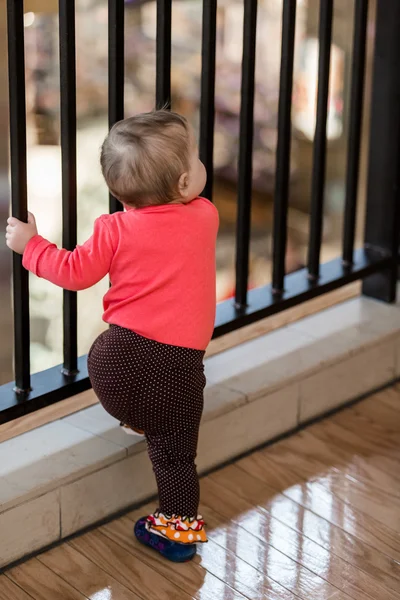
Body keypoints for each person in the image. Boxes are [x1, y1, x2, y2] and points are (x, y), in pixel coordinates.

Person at [5, 110, 219, 563]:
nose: (204, 165)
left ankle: (139, 413)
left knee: (106, 352)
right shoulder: (204, 216)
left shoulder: (115, 229)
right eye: (197, 159)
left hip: (117, 365)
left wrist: (31, 245)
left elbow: (74, 272)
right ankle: (177, 532)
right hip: (179, 368)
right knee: (175, 457)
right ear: (183, 184)